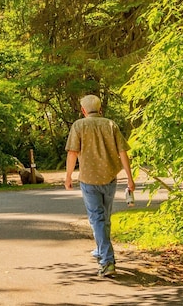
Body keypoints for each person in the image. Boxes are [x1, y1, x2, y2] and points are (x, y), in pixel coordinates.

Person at [64, 94, 135, 278]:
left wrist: (68, 176)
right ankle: (100, 249)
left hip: (88, 179)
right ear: (100, 108)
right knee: (105, 217)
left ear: (83, 110)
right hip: (110, 178)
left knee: (97, 218)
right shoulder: (110, 124)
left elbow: (72, 153)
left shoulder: (79, 125)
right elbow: (122, 152)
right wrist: (129, 178)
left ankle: (107, 261)